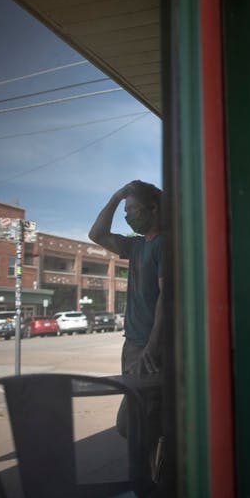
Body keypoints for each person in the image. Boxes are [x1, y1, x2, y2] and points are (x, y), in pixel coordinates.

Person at [89, 179, 164, 480]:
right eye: (126, 211)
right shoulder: (134, 246)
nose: (128, 215)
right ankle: (153, 479)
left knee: (134, 425)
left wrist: (152, 347)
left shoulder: (163, 245)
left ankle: (150, 486)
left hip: (148, 350)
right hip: (132, 346)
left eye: (132, 209)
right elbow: (96, 234)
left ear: (153, 209)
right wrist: (117, 195)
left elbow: (166, 300)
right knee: (138, 424)